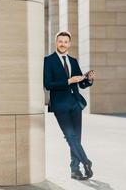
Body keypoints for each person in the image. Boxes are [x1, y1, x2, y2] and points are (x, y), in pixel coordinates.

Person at [43, 31, 95, 180]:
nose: (63, 44)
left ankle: (75, 169)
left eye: (66, 41)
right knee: (70, 136)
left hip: (75, 104)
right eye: (60, 41)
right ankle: (86, 161)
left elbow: (81, 83)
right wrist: (68, 81)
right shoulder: (49, 60)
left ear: (69, 44)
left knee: (76, 138)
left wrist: (88, 79)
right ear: (56, 42)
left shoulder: (73, 60)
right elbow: (48, 84)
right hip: (60, 105)